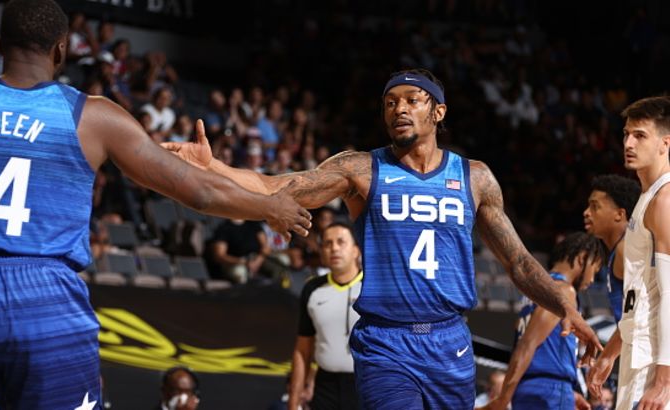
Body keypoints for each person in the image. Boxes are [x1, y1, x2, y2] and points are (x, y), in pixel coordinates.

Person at [0, 1, 311, 409]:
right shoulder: (92, 115)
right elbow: (199, 191)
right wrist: (269, 206)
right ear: (62, 50)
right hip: (44, 293)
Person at [164, 68, 601, 409]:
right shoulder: (361, 170)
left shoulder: (475, 178)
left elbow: (518, 263)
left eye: (412, 100)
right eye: (390, 102)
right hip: (386, 343)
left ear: (438, 112)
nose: (399, 109)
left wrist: (563, 303)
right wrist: (213, 166)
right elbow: (277, 186)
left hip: (450, 341)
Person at [587, 96, 670, 409]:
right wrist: (609, 355)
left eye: (640, 135)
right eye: (626, 134)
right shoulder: (646, 199)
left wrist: (664, 381)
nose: (629, 143)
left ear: (665, 143)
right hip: (640, 355)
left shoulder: (664, 200)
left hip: (655, 362)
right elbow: (641, 300)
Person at [478, 232, 605, 410]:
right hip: (549, 390)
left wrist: (569, 394)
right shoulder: (563, 290)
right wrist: (503, 399)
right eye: (595, 270)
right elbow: (527, 344)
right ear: (582, 258)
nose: (592, 280)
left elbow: (533, 349)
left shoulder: (533, 293)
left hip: (529, 387)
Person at [289, 222, 363, 410]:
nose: (334, 248)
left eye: (341, 242)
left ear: (356, 250)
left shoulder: (374, 287)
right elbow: (303, 350)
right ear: (321, 251)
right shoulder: (312, 289)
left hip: (367, 384)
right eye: (328, 243)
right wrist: (293, 402)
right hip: (325, 387)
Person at [583, 174, 640, 322]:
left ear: (619, 214)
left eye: (595, 206)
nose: (586, 213)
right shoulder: (620, 249)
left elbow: (641, 316)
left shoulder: (626, 248)